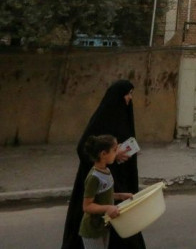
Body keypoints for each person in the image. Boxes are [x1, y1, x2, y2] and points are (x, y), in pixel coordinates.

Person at [62, 80, 146, 249]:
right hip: (101, 180)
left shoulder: (123, 117)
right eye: (128, 94)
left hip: (117, 180)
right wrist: (115, 154)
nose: (130, 98)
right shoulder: (104, 118)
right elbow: (82, 148)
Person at [79, 135, 133, 249]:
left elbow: (103, 195)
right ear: (103, 154)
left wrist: (120, 196)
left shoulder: (106, 170)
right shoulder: (94, 177)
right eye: (114, 150)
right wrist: (108, 208)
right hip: (92, 229)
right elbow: (87, 206)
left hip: (103, 226)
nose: (117, 152)